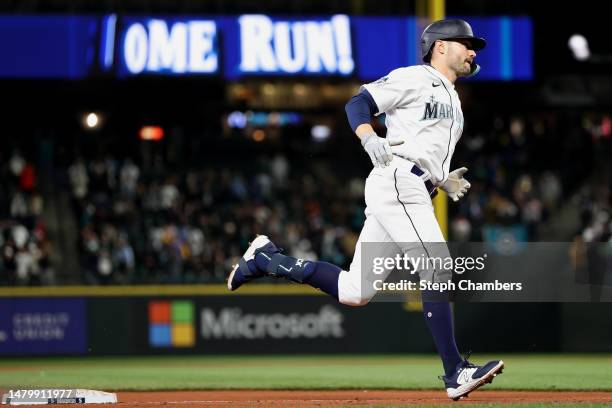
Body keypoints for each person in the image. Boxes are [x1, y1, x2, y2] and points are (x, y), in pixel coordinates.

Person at [227, 19, 503, 400]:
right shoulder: (416, 77)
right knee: (436, 264)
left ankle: (267, 260)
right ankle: (455, 371)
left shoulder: (452, 96)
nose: (473, 51)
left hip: (414, 185)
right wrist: (368, 134)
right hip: (398, 182)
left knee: (355, 292)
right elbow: (358, 102)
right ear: (439, 46)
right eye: (465, 43)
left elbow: (421, 140)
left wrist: (440, 177)